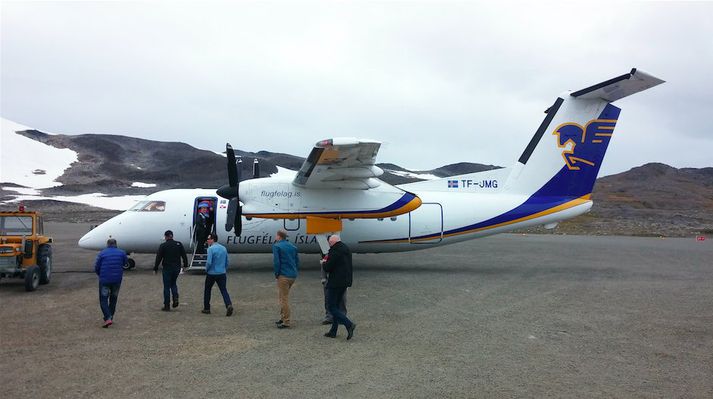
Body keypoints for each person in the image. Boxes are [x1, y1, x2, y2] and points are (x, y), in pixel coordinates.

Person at [322, 235, 356, 340]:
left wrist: (324, 263)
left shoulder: (334, 251)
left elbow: (328, 267)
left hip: (335, 282)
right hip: (345, 281)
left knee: (332, 307)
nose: (329, 245)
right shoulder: (346, 248)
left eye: (329, 243)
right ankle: (333, 331)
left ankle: (349, 324)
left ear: (331, 242)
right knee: (337, 306)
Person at [94, 238, 128, 328]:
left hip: (105, 280)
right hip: (117, 280)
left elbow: (97, 266)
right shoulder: (122, 252)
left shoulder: (102, 253)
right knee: (113, 298)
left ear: (107, 244)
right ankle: (111, 317)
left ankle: (107, 317)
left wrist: (100, 274)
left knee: (103, 299)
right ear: (116, 244)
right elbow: (125, 263)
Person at [154, 230, 188, 311]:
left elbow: (159, 257)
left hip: (167, 268)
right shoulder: (178, 244)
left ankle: (167, 305)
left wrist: (155, 268)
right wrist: (185, 264)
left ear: (166, 237)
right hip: (176, 268)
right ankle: (175, 297)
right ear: (172, 236)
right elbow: (184, 255)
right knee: (173, 284)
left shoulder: (163, 245)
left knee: (166, 287)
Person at [272, 229, 299, 328]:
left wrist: (276, 274)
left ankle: (286, 321)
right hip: (292, 275)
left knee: (284, 299)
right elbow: (297, 261)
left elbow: (276, 262)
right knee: (282, 296)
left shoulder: (276, 246)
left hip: (283, 275)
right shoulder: (293, 247)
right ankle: (282, 317)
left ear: (279, 236)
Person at [202, 233, 234, 316]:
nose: (207, 241)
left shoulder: (210, 249)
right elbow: (227, 261)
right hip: (222, 272)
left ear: (213, 240)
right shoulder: (223, 248)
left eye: (208, 239)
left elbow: (209, 262)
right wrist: (224, 268)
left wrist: (206, 269)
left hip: (211, 273)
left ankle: (206, 308)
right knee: (223, 290)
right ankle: (228, 304)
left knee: (207, 290)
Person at [321, 253, 347, 325]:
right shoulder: (328, 255)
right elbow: (323, 266)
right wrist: (323, 278)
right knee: (328, 299)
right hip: (330, 280)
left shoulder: (342, 253)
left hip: (340, 280)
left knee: (341, 299)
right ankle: (330, 316)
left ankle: (342, 316)